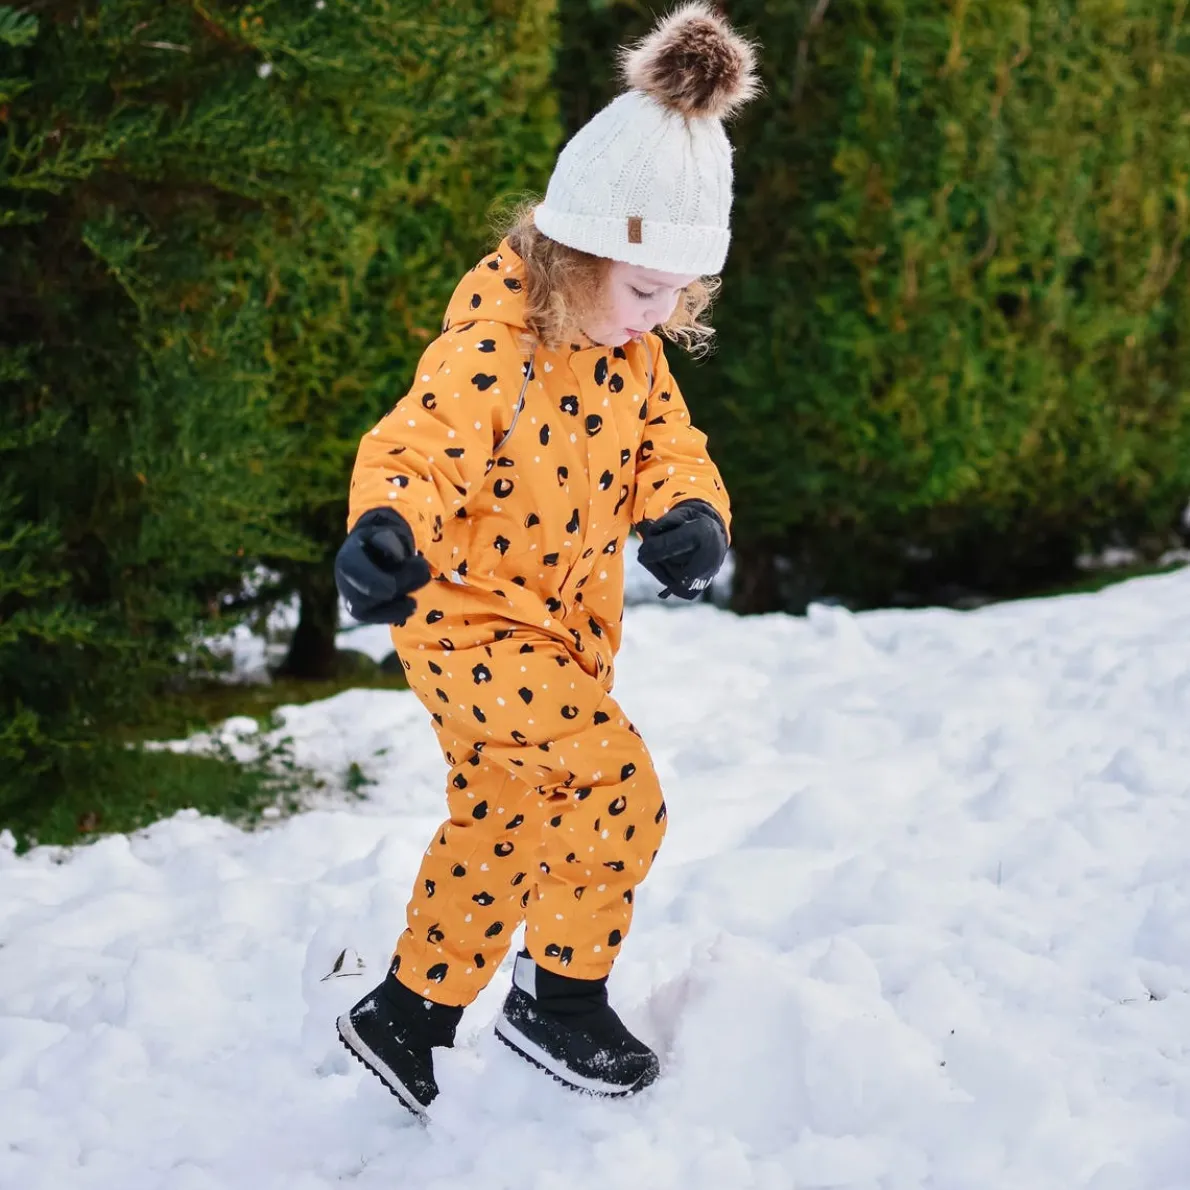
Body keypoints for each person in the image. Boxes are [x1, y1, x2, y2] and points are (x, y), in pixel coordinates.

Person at [332, 1, 758, 1117]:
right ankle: (558, 1001)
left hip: (560, 633)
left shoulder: (630, 353)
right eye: (643, 290)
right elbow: (418, 448)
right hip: (470, 625)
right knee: (617, 787)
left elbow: (671, 450)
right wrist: (385, 531)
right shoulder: (496, 349)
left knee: (504, 817)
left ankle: (408, 1012)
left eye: (678, 296)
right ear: (574, 252)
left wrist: (691, 514)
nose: (657, 317)